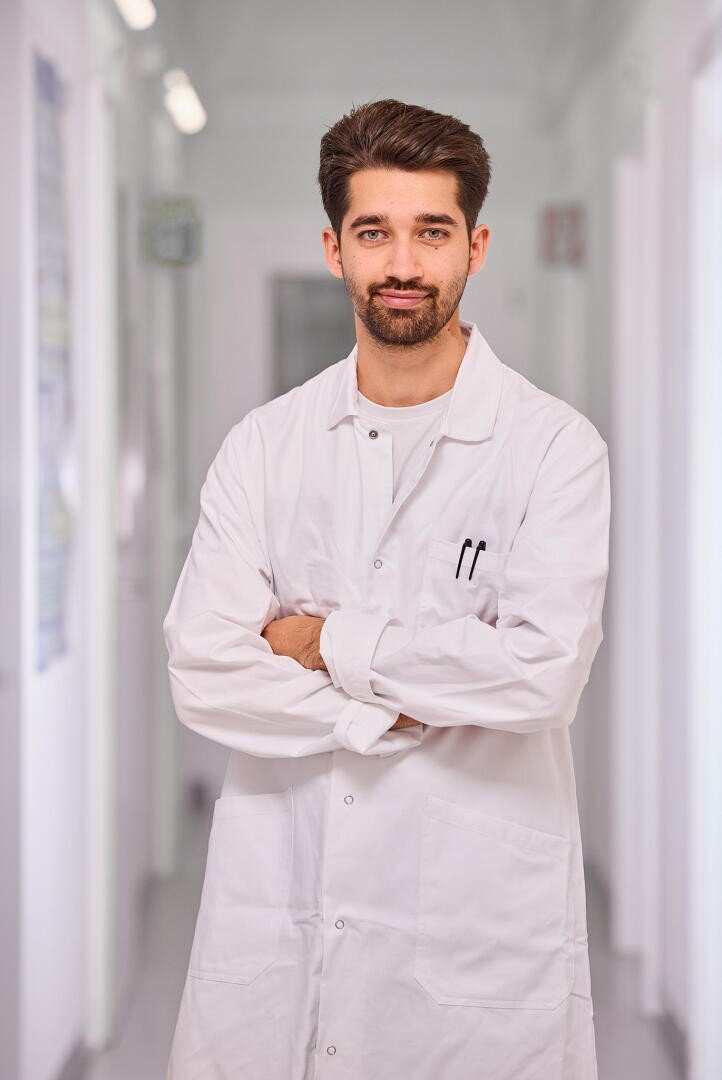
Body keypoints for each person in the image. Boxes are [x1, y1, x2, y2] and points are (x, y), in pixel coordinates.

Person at [162, 98, 609, 1080]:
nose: (401, 263)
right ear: (333, 248)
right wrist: (391, 714)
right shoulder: (265, 447)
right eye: (374, 232)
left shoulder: (551, 452)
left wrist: (327, 644)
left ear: (475, 246)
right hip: (284, 898)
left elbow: (537, 680)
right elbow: (203, 669)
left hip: (475, 923)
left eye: (430, 232)